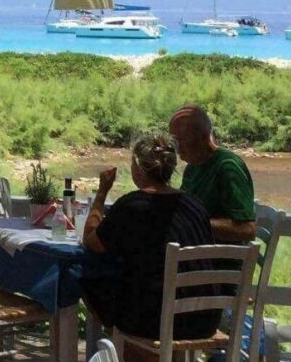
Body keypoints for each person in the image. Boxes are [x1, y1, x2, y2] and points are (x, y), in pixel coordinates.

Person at [80, 132, 221, 344]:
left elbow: (91, 242)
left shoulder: (132, 206)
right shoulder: (195, 205)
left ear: (137, 168)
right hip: (206, 317)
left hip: (159, 321)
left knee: (86, 280)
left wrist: (102, 193)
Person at [168, 104, 256, 243]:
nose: (176, 147)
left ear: (203, 137)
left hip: (219, 260)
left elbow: (248, 230)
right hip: (193, 250)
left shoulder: (228, 166)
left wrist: (196, 224)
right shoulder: (192, 168)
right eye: (173, 141)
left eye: (181, 139)